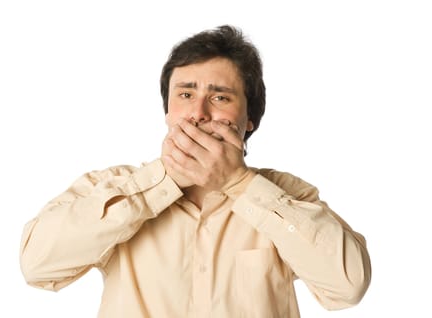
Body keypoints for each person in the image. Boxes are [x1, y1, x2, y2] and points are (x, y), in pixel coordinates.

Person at [20, 25, 371, 317]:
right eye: (185, 94)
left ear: (249, 119)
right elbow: (37, 265)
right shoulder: (111, 187)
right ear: (168, 112)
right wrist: (163, 182)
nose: (198, 113)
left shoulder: (288, 194)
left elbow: (348, 285)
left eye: (220, 97)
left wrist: (239, 183)